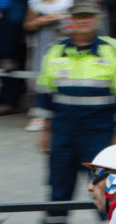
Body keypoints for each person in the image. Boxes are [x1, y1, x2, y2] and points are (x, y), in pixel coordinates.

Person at [33, 0, 116, 224]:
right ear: (69, 20)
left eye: (88, 17)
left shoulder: (113, 51)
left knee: (104, 183)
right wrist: (45, 130)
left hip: (99, 130)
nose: (82, 21)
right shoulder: (55, 51)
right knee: (58, 180)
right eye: (77, 17)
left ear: (97, 20)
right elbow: (45, 92)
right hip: (63, 129)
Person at [23, 0, 72, 131]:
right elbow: (27, 25)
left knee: (65, 79)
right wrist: (41, 20)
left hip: (66, 44)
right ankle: (39, 116)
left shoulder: (70, 2)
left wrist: (62, 20)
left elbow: (77, 24)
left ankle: (64, 117)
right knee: (41, 78)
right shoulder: (35, 3)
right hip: (43, 45)